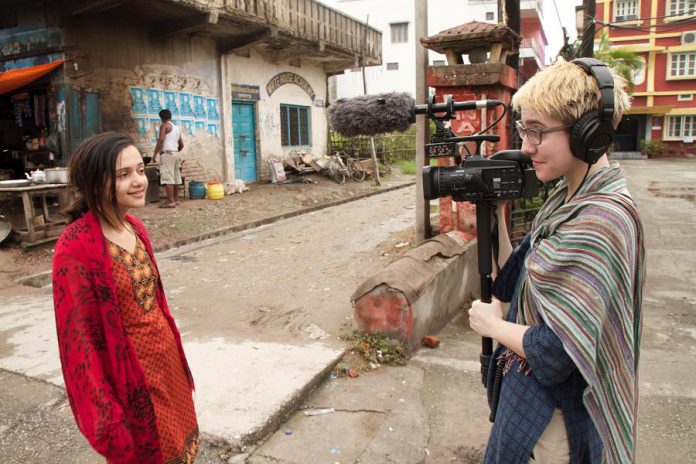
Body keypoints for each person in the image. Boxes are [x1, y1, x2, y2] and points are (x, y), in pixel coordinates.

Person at [468, 58, 645, 463]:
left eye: (537, 132)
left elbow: (559, 350)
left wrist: (492, 326)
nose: (526, 146)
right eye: (523, 131)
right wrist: (495, 214)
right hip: (530, 391)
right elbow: (513, 282)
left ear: (587, 135)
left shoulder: (601, 220)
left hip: (555, 415)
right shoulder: (565, 202)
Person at [52, 132, 199, 463]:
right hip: (132, 385)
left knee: (181, 452)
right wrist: (105, 419)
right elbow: (78, 346)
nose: (139, 181)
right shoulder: (75, 247)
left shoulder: (134, 227)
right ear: (94, 181)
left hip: (168, 373)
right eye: (123, 175)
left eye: (140, 170)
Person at [153, 109, 184, 208]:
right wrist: (175, 151)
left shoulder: (164, 125)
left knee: (167, 177)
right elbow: (181, 145)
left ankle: (170, 202)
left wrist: (155, 154)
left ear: (161, 118)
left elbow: (161, 139)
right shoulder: (177, 128)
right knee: (176, 177)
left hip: (167, 153)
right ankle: (176, 199)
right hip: (175, 153)